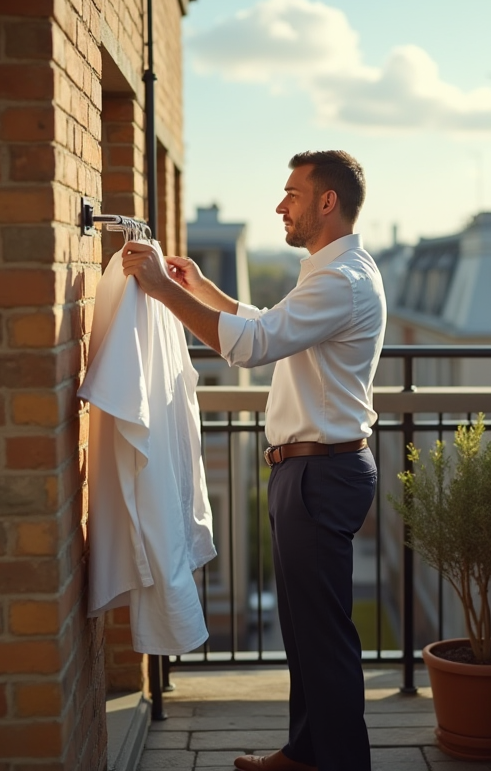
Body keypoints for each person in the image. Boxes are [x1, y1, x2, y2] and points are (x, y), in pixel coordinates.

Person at [121, 150, 385, 771]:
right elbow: (273, 327)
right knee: (304, 634)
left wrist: (160, 289)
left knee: (324, 642)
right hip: (311, 471)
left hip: (321, 475)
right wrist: (201, 291)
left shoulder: (339, 280)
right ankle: (305, 753)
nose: (280, 205)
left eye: (292, 193)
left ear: (327, 202)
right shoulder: (333, 271)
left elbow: (253, 347)